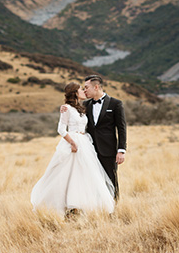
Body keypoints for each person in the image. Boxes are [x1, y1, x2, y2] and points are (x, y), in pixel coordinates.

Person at [30, 82, 115, 215]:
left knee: (84, 174)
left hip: (84, 142)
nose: (84, 91)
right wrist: (72, 143)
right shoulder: (67, 108)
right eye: (81, 89)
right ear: (75, 92)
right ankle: (62, 205)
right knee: (66, 174)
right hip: (72, 143)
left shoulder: (81, 107)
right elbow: (61, 129)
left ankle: (82, 206)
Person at [83, 75, 127, 200]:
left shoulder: (115, 104)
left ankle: (113, 208)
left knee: (111, 180)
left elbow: (122, 128)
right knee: (92, 181)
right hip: (90, 151)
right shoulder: (85, 105)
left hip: (108, 150)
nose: (85, 90)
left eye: (87, 87)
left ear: (96, 87)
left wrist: (121, 150)